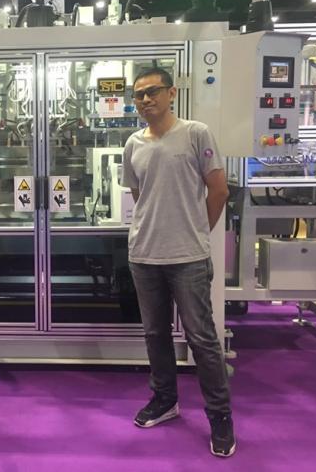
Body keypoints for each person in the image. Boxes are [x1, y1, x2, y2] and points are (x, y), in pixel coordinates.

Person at [121, 67, 235, 457]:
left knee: (202, 339)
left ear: (171, 93)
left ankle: (220, 416)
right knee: (155, 334)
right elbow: (140, 196)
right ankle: (165, 400)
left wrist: (196, 231)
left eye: (153, 91)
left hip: (188, 257)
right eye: (138, 95)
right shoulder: (133, 144)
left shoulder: (196, 133)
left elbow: (219, 191)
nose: (145, 99)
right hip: (144, 255)